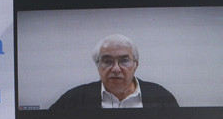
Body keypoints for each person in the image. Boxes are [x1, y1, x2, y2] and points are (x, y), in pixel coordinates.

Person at [49, 34, 179, 109]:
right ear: (98, 65)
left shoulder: (162, 98)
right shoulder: (73, 100)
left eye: (124, 60)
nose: (116, 69)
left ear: (136, 65)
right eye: (107, 61)